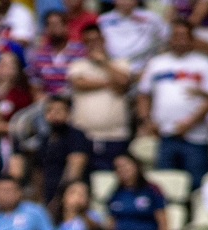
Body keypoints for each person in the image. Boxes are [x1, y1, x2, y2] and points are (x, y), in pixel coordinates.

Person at [137, 19, 208, 190]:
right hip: (165, 135)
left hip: (196, 136)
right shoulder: (157, 63)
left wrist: (190, 122)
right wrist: (147, 121)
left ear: (191, 39)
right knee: (165, 185)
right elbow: (143, 94)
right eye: (176, 36)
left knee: (197, 185)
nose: (180, 40)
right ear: (169, 38)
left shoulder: (204, 64)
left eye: (184, 36)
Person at [67, 23, 133, 173]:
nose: (93, 45)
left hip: (116, 135)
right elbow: (79, 83)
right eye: (88, 41)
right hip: (84, 135)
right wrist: (109, 83)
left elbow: (123, 82)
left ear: (104, 40)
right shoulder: (78, 65)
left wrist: (103, 63)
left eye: (96, 40)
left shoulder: (120, 63)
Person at [107, 153, 170, 230]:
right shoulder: (115, 193)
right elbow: (111, 224)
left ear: (136, 166)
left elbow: (163, 223)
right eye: (118, 167)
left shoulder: (152, 190)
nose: (122, 170)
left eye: (125, 165)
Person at [34, 96, 91, 209]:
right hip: (48, 193)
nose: (54, 114)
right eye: (50, 110)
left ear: (68, 113)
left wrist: (59, 199)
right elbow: (39, 170)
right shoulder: (45, 139)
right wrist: (40, 198)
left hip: (68, 197)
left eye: (59, 110)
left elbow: (74, 171)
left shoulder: (76, 136)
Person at [98, 0, 168, 75]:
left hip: (145, 68)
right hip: (114, 68)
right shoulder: (103, 20)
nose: (126, 2)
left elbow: (168, 37)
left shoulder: (151, 18)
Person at [27, 11, 86, 100]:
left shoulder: (80, 51)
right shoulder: (39, 55)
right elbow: (35, 83)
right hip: (48, 103)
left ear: (66, 26)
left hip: (74, 100)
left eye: (57, 24)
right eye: (50, 25)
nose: (54, 28)